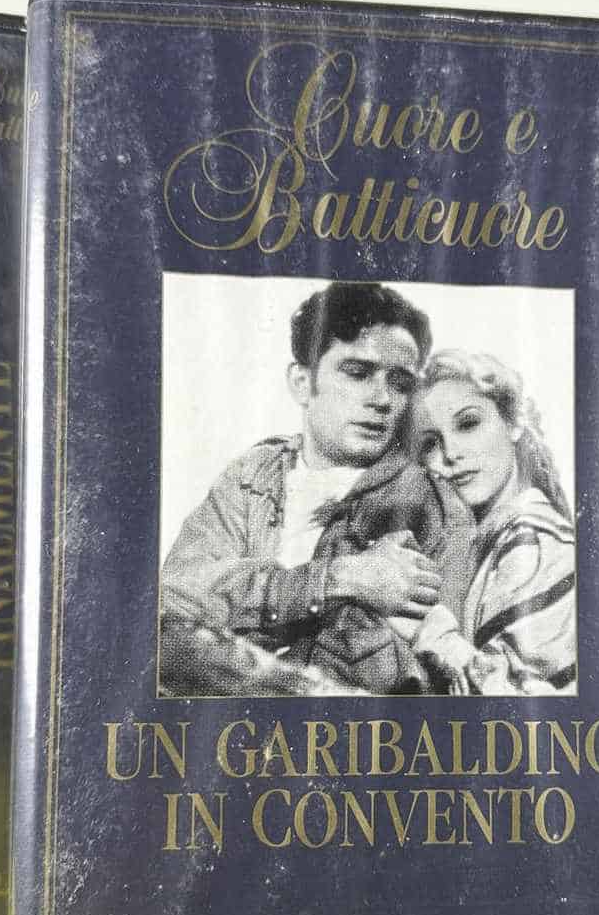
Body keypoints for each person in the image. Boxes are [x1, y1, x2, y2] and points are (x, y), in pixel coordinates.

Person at [160, 282, 474, 695]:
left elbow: (430, 668)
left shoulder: (433, 505)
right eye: (357, 373)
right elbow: (174, 600)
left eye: (399, 382)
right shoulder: (254, 476)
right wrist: (340, 578)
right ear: (301, 382)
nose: (382, 399)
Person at [406, 349, 576, 695]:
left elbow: (516, 705)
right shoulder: (493, 540)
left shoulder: (532, 539)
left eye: (468, 424)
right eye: (431, 443)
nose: (450, 453)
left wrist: (419, 626)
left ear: (513, 423)